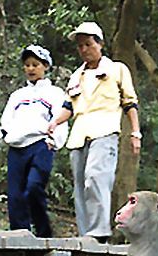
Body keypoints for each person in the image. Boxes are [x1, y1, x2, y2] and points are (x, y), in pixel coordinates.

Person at [48, 21, 141, 243]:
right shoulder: (76, 76)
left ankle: (99, 232)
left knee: (96, 178)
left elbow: (130, 103)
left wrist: (135, 133)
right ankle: (85, 234)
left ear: (99, 44)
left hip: (105, 130)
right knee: (80, 186)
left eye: (88, 44)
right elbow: (68, 107)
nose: (84, 49)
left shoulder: (117, 69)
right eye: (80, 46)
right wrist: (53, 123)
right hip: (78, 135)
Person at [0, 45, 68, 237]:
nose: (30, 69)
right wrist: (1, 134)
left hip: (40, 145)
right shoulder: (17, 96)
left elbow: (60, 119)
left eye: (35, 64)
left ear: (45, 66)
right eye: (27, 65)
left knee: (33, 187)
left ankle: (44, 233)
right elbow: (7, 122)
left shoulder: (55, 93)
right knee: (15, 195)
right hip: (17, 148)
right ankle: (21, 235)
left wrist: (55, 140)